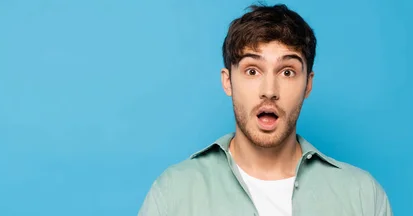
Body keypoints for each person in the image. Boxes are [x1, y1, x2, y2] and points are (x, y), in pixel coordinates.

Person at [138, 3, 392, 216]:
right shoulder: (174, 192)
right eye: (252, 71)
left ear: (308, 85)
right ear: (228, 81)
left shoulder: (362, 195)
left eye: (287, 72)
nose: (269, 90)